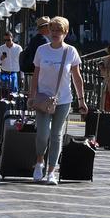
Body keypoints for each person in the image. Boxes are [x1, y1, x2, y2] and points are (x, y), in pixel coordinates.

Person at [29, 16, 88, 185]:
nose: (55, 33)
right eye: (52, 30)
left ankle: (51, 171)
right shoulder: (42, 50)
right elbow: (35, 75)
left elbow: (77, 78)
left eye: (58, 31)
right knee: (42, 134)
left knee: (56, 135)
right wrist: (32, 95)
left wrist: (81, 100)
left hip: (63, 99)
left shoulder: (71, 52)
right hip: (42, 98)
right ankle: (39, 161)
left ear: (65, 33)